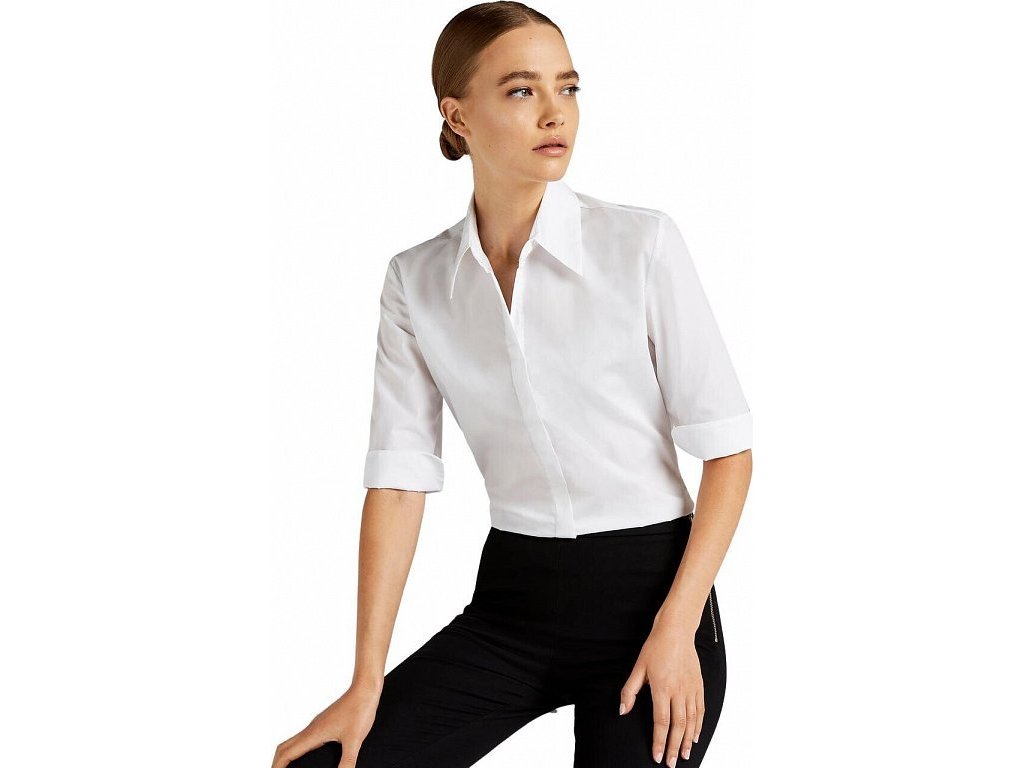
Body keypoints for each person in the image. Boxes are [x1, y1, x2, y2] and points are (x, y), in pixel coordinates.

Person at [272, 3, 752, 766]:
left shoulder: (642, 245)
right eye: (523, 90)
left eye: (568, 87)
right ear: (457, 116)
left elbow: (729, 454)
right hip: (513, 609)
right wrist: (366, 681)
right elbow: (397, 484)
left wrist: (678, 628)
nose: (556, 112)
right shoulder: (417, 282)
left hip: (652, 604)